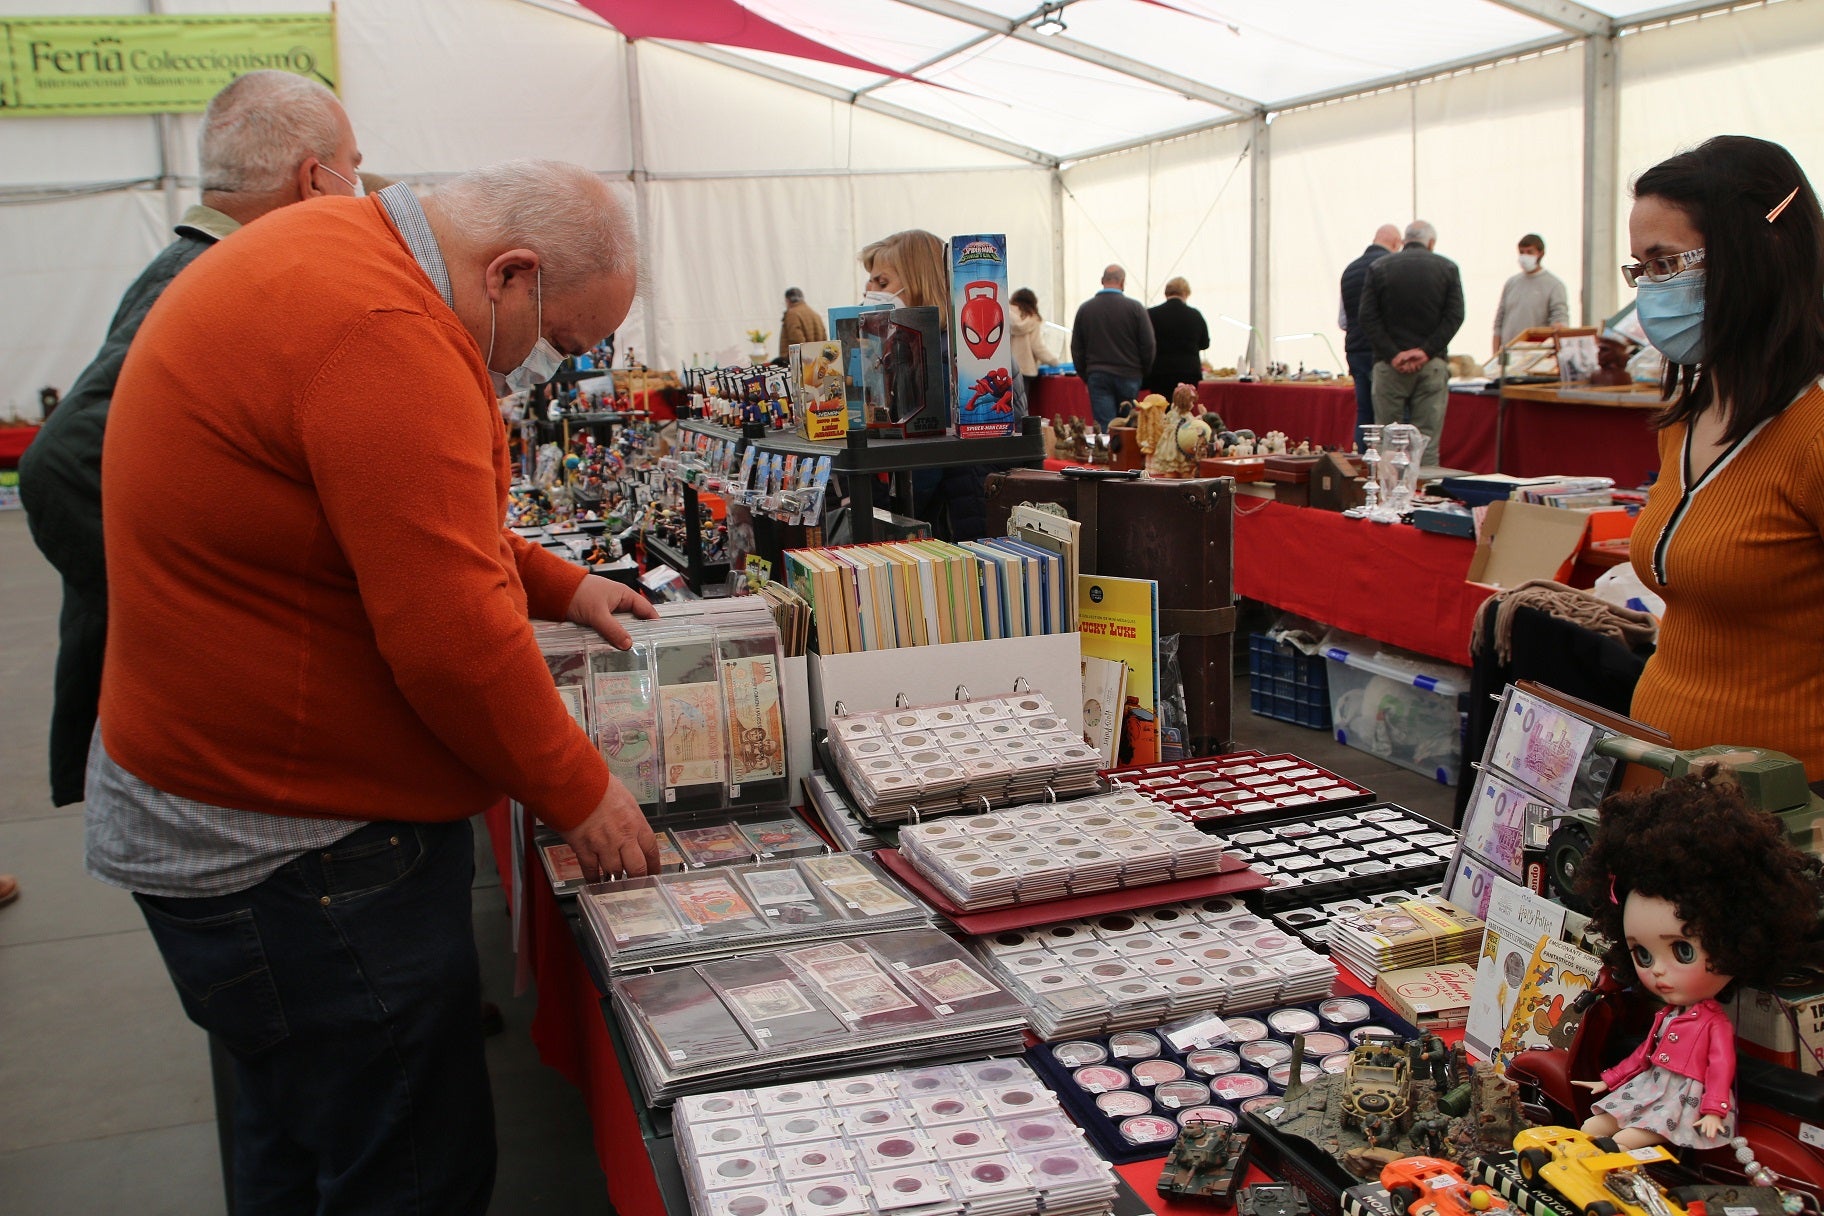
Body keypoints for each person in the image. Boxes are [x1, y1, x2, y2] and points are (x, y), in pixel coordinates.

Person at [90, 159, 659, 1213]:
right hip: (293, 852)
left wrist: (559, 583)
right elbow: (450, 641)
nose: (556, 373)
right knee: (404, 1167)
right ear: (512, 275)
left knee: (298, 1144)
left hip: (219, 806)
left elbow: (392, 524)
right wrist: (585, 793)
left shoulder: (341, 257)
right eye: (563, 344)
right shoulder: (385, 332)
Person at [18, 70, 363, 809]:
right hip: (180, 723)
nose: (357, 191)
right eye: (354, 170)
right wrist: (189, 610)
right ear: (313, 178)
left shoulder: (201, 266)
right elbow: (60, 463)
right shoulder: (212, 281)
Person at [1624, 135, 1824, 778]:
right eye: (1639, 269)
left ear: (1753, 252)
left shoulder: (1813, 433)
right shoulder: (1687, 418)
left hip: (1777, 822)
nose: (1648, 292)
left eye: (1664, 263)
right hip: (1660, 781)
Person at [1571, 775, 1820, 1149]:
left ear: (1737, 941)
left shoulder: (1712, 1024)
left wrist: (1715, 1109)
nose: (1657, 969)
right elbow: (1644, 1054)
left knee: (1622, 1141)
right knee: (1593, 1129)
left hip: (1685, 1101)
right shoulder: (1667, 1015)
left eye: (1682, 952)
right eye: (1641, 953)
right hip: (1651, 1087)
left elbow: (1721, 1069)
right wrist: (1609, 1079)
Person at [857, 229, 993, 540]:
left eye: (882, 283)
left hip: (953, 527)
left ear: (919, 283)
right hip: (956, 519)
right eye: (870, 282)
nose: (870, 291)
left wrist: (878, 501)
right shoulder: (934, 348)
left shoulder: (940, 358)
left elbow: (921, 473)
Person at [1355, 220, 1464, 458]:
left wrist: (1393, 354)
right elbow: (1455, 316)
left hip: (1389, 366)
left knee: (1389, 442)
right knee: (1426, 442)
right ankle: (1423, 493)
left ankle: (1388, 492)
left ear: (1404, 241)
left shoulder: (1378, 267)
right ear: (1431, 242)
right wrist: (1426, 351)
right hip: (1431, 365)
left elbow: (1367, 317)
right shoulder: (1448, 268)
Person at [1070, 264, 1155, 430]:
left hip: (1098, 375)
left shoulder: (1085, 309)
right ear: (1123, 282)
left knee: (1105, 427)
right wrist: (1143, 372)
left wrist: (1086, 374)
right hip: (1130, 374)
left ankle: (1107, 455)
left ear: (1102, 281)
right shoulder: (1136, 308)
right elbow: (1148, 344)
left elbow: (1076, 348)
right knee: (1127, 426)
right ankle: (1125, 456)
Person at [1340, 224, 1402, 449]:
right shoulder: (1390, 268)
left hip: (1355, 350)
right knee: (1387, 414)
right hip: (1383, 352)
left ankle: (1363, 466)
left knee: (1364, 412)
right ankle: (1387, 470)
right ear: (1396, 243)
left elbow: (1343, 321)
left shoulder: (1350, 270)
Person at [1492, 233, 1570, 353]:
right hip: (1508, 353)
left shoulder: (1554, 285)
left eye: (1529, 252)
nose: (1524, 256)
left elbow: (1560, 320)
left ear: (1540, 254)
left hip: (1535, 354)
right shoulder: (1511, 283)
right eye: (1522, 252)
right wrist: (1496, 353)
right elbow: (1499, 322)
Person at [1143, 276, 1210, 398]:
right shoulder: (1195, 315)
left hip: (1160, 372)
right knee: (1184, 409)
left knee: (1162, 408)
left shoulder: (1151, 314)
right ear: (1186, 293)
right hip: (1188, 371)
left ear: (1166, 293)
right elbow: (1205, 343)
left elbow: (1144, 342)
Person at [1009, 287, 1056, 402]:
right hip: (1025, 370)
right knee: (1021, 405)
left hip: (1006, 368)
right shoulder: (1033, 320)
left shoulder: (1004, 314)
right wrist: (1054, 361)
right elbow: (1037, 347)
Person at [779, 285, 826, 358]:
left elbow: (796, 339)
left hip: (799, 361)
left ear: (787, 300)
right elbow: (824, 339)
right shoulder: (815, 315)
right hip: (816, 360)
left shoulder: (792, 314)